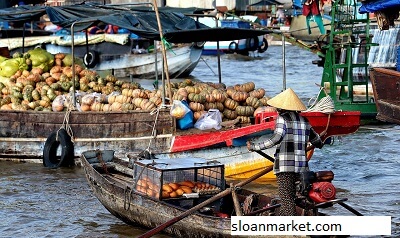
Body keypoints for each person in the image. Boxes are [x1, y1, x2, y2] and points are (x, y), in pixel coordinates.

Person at [246, 88, 324, 216]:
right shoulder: (305, 121)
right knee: (300, 198)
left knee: (287, 200)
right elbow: (317, 141)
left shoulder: (282, 119)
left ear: (282, 108)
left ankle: (290, 230)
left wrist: (254, 146)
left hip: (285, 167)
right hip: (302, 167)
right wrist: (321, 142)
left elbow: (276, 139)